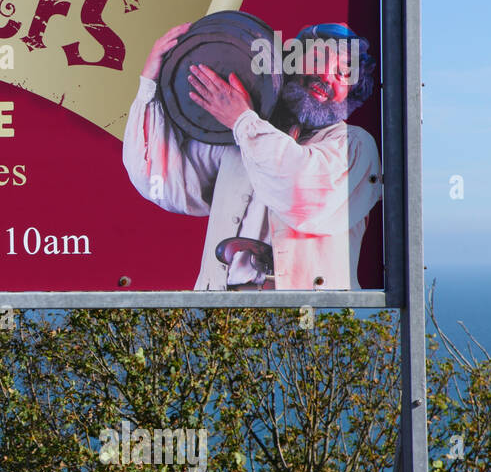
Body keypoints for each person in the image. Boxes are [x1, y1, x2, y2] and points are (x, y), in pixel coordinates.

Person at [122, 22, 383, 290]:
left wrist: (241, 120)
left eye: (343, 73)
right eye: (317, 59)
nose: (327, 77)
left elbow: (303, 192)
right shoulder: (241, 135)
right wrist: (150, 84)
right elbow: (161, 181)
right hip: (221, 319)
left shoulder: (354, 146)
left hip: (302, 320)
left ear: (352, 90)